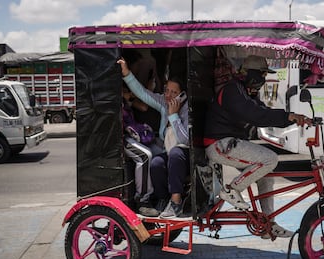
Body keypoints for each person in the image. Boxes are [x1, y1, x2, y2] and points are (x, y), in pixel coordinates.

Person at [204, 55, 311, 238]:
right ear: (251, 74)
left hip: (231, 144)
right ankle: (231, 190)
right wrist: (288, 117)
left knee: (266, 175)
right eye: (262, 74)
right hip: (219, 144)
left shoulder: (245, 92)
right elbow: (255, 115)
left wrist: (292, 118)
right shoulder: (232, 90)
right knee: (270, 159)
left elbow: (264, 112)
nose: (264, 79)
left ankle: (268, 223)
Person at [118, 57, 190, 219]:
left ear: (182, 95)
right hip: (170, 153)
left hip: (185, 156)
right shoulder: (164, 103)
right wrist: (126, 73)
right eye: (167, 90)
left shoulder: (185, 109)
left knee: (175, 153)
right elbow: (142, 93)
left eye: (174, 92)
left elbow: (184, 140)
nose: (168, 95)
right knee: (156, 162)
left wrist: (173, 117)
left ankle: (176, 202)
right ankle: (163, 199)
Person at [122, 83, 159, 217]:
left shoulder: (126, 102)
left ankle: (159, 195)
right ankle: (142, 199)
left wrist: (129, 98)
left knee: (159, 152)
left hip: (134, 135)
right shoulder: (115, 103)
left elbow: (143, 106)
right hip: (122, 138)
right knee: (145, 155)